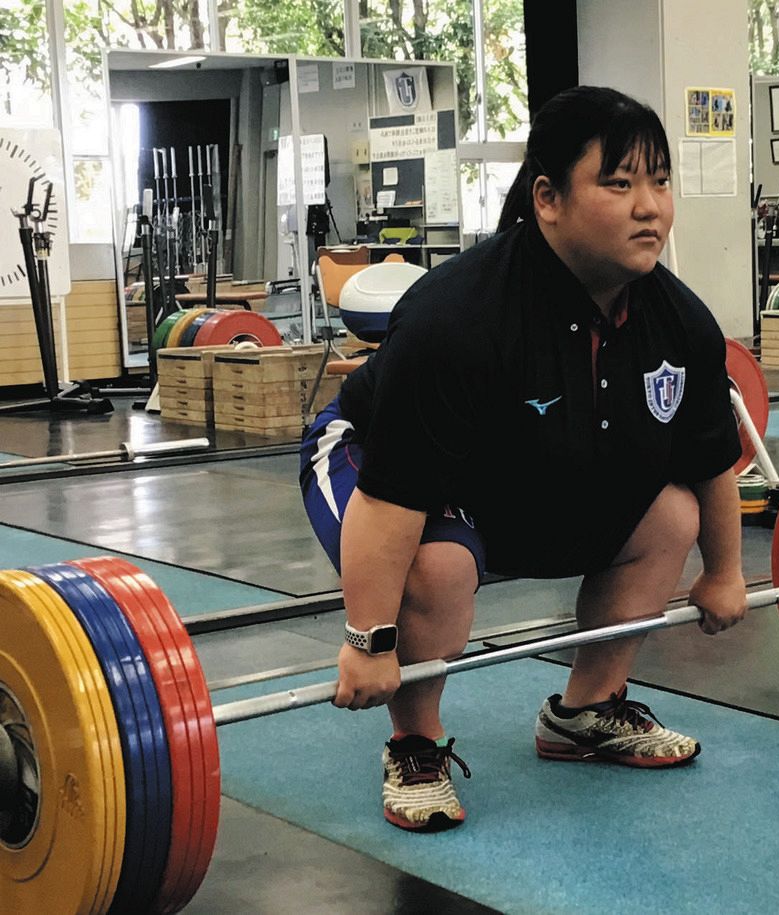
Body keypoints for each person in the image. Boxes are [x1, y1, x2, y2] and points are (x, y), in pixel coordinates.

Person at [300, 85, 748, 832]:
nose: (651, 207)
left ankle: (586, 711)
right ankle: (415, 744)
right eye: (620, 182)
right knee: (437, 566)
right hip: (373, 462)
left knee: (670, 514)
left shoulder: (680, 322)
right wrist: (368, 639)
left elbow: (710, 464)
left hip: (509, 478)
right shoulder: (459, 317)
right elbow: (392, 500)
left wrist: (726, 571)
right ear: (547, 197)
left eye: (659, 181)